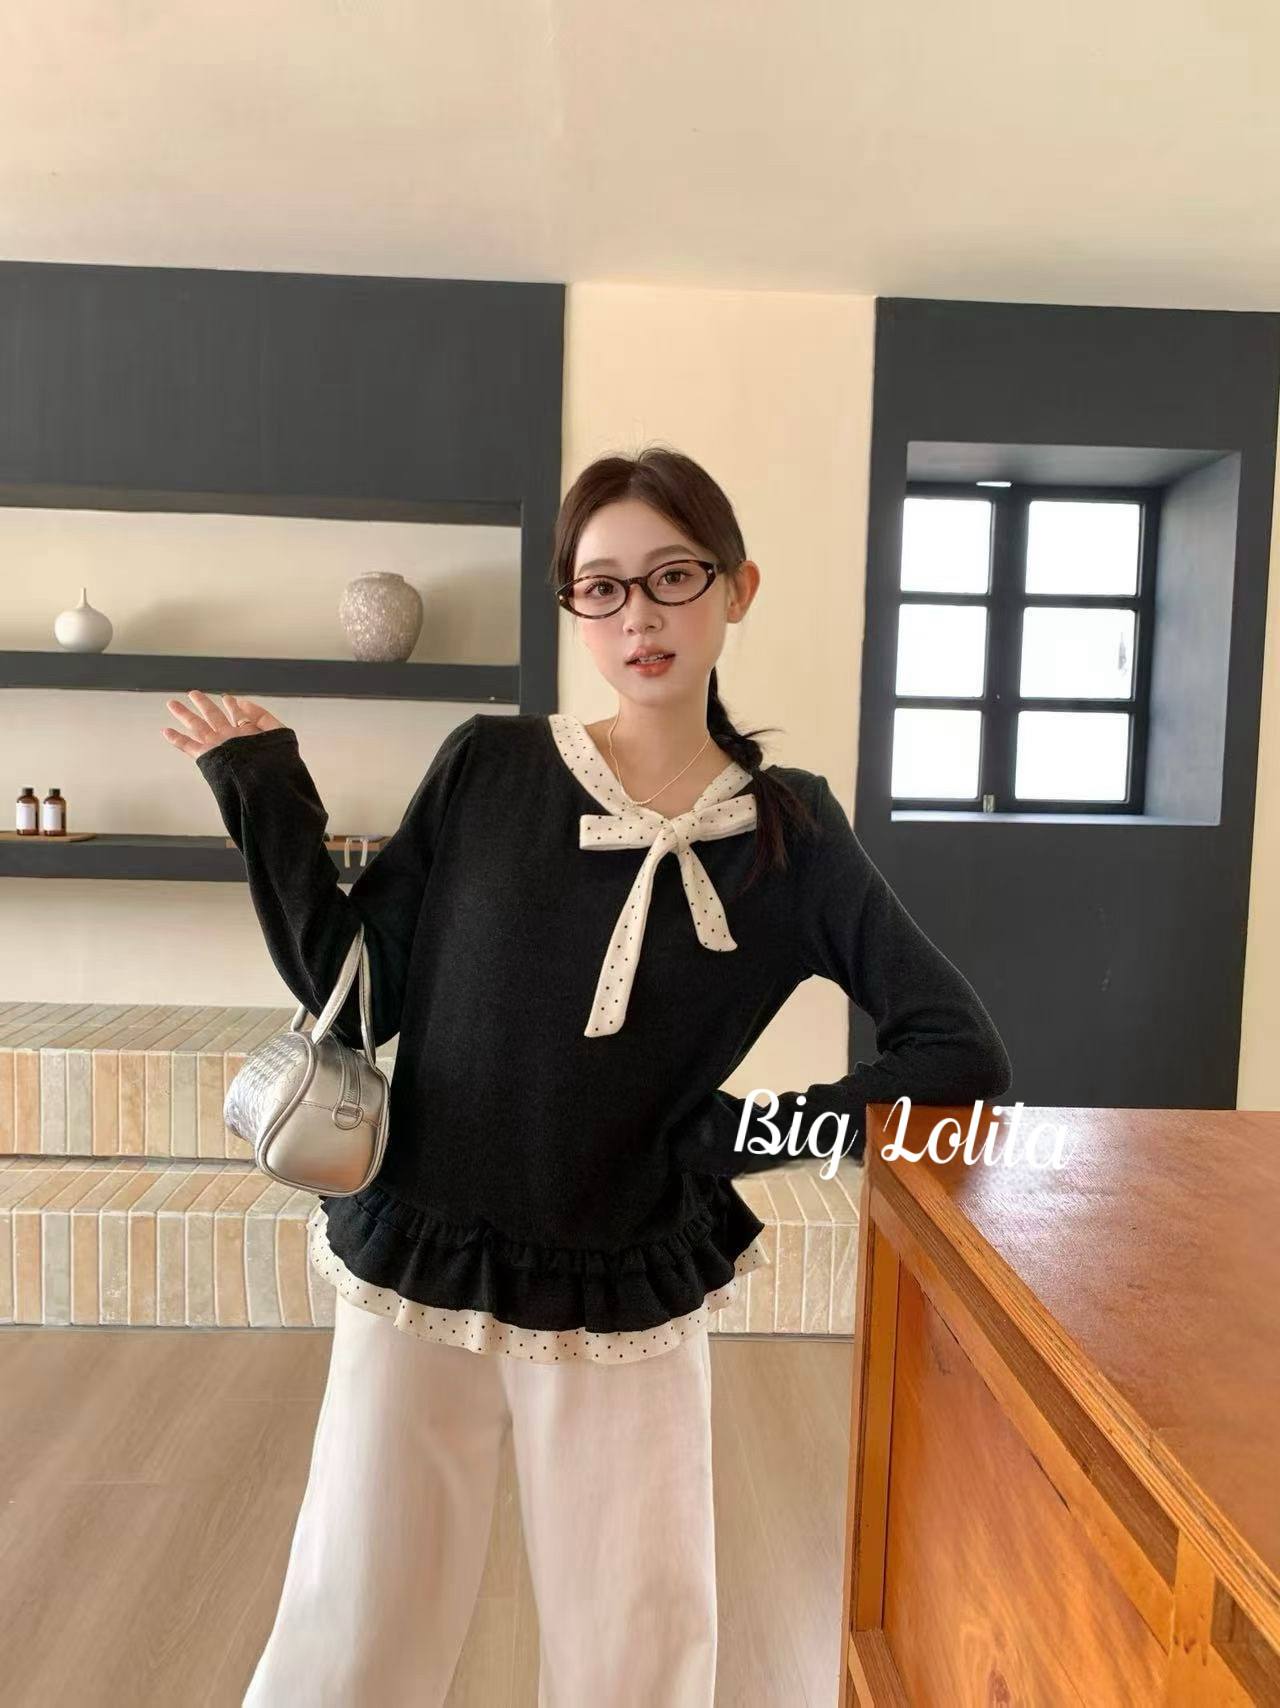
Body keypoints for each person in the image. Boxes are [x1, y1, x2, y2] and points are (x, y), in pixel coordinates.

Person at [161, 445, 1012, 1708]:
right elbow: (362, 989)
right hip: (420, 1251)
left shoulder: (792, 834)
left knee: (637, 1647)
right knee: (355, 1622)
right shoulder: (488, 766)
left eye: (672, 577)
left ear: (735, 588)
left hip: (623, 1278)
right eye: (601, 587)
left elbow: (958, 1054)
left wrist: (733, 1137)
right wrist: (266, 796)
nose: (638, 617)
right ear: (571, 606)